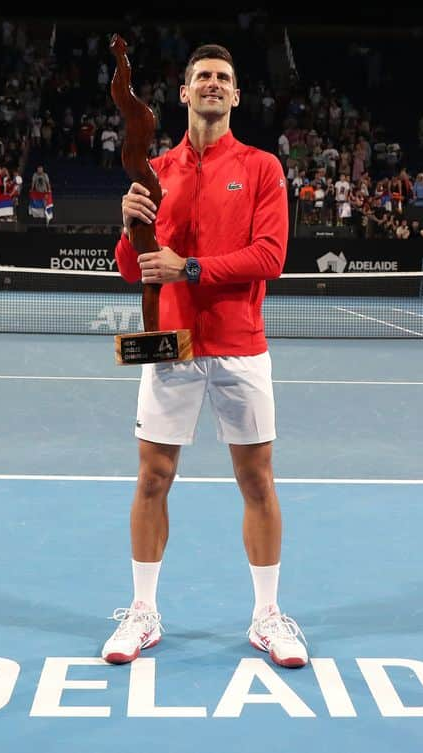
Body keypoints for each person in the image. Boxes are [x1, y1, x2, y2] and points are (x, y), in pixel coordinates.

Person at [102, 44, 307, 669]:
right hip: (173, 344)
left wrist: (188, 267)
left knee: (256, 479)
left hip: (241, 345)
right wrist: (129, 224)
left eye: (224, 77)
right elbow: (130, 268)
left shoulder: (263, 167)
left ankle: (267, 616)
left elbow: (270, 256)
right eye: (202, 78)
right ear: (185, 94)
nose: (213, 84)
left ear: (236, 96)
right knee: (153, 477)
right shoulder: (155, 170)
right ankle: (142, 612)